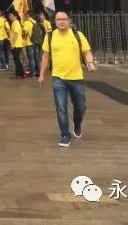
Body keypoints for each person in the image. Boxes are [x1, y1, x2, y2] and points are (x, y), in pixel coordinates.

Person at [39, 11, 96, 147]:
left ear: (69, 21)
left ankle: (77, 124)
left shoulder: (77, 35)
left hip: (76, 77)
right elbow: (46, 56)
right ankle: (65, 135)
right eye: (58, 19)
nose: (61, 21)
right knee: (61, 108)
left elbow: (86, 51)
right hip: (58, 78)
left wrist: (90, 63)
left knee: (80, 107)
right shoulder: (50, 36)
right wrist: (41, 74)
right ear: (55, 21)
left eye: (64, 19)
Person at [8, 11, 26, 78]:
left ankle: (19, 74)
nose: (10, 17)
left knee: (17, 60)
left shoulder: (16, 23)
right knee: (16, 60)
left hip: (16, 44)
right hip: (16, 44)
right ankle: (20, 74)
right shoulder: (14, 23)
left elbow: (16, 34)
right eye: (9, 16)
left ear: (15, 16)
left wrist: (13, 44)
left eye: (11, 16)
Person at [22, 11, 37, 76]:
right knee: (36, 57)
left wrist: (22, 34)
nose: (24, 17)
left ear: (28, 15)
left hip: (29, 42)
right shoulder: (34, 21)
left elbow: (25, 31)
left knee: (31, 58)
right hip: (36, 41)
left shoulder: (27, 22)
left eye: (25, 15)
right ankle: (37, 70)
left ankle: (32, 72)